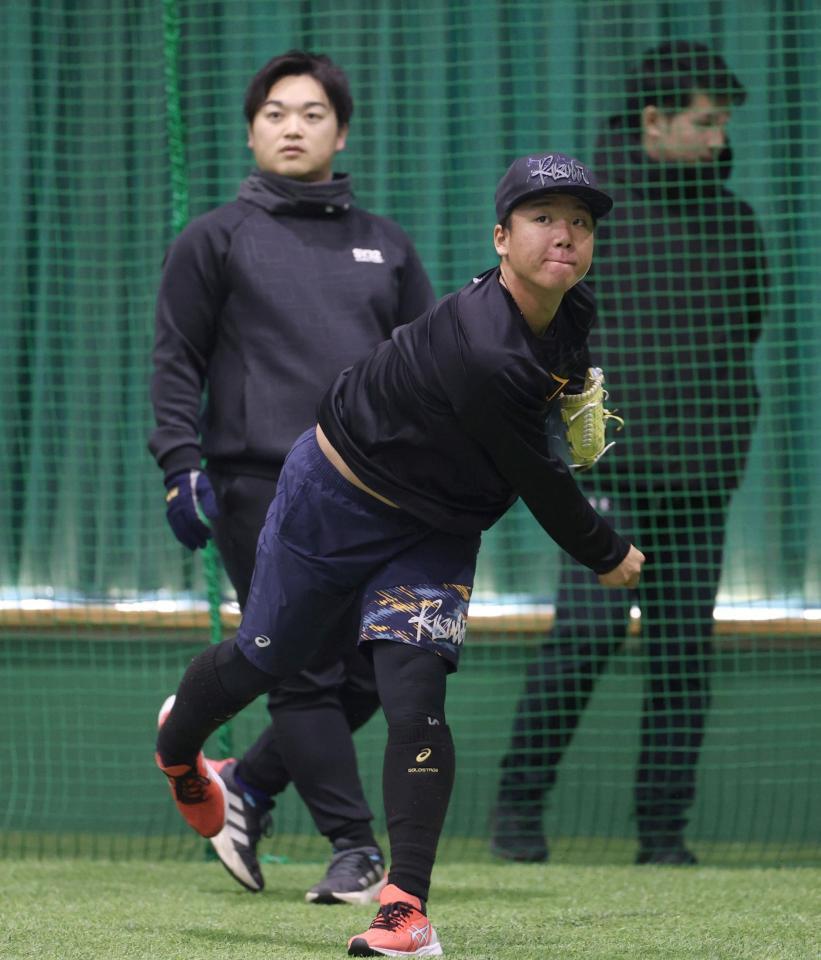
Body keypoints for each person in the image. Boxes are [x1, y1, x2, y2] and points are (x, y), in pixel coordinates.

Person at [154, 151, 645, 957]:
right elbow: (539, 480)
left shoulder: (570, 309)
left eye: (581, 223)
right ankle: (181, 754)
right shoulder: (486, 350)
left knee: (414, 693)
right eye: (544, 218)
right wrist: (607, 552)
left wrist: (580, 382)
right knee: (263, 661)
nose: (566, 234)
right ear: (500, 237)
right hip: (333, 497)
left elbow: (569, 372)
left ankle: (403, 911)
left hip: (433, 528)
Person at [148, 49, 435, 902]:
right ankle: (355, 849)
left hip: (375, 493)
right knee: (298, 671)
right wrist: (178, 463)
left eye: (310, 113)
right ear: (251, 129)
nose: (291, 126)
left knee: (367, 675)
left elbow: (426, 370)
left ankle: (249, 783)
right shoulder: (214, 238)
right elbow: (175, 361)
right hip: (259, 486)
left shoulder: (385, 245)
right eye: (275, 112)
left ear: (339, 130)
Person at [492, 42, 767, 866]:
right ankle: (516, 810)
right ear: (653, 122)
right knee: (583, 640)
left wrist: (715, 443)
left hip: (700, 483)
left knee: (683, 655)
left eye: (722, 123)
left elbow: (744, 333)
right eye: (704, 121)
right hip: (605, 483)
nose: (718, 139)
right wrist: (580, 456)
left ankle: (661, 836)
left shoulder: (735, 225)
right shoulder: (584, 224)